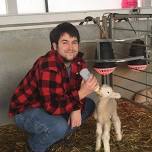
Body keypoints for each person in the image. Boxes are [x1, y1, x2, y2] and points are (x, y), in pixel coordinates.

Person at [8, 22, 98, 152]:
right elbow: (52, 106)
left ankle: (55, 135)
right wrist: (81, 95)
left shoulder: (78, 61)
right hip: (28, 109)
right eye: (65, 42)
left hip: (55, 103)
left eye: (74, 42)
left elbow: (83, 84)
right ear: (54, 46)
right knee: (59, 126)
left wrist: (76, 108)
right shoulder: (48, 66)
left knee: (89, 105)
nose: (71, 47)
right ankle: (34, 145)